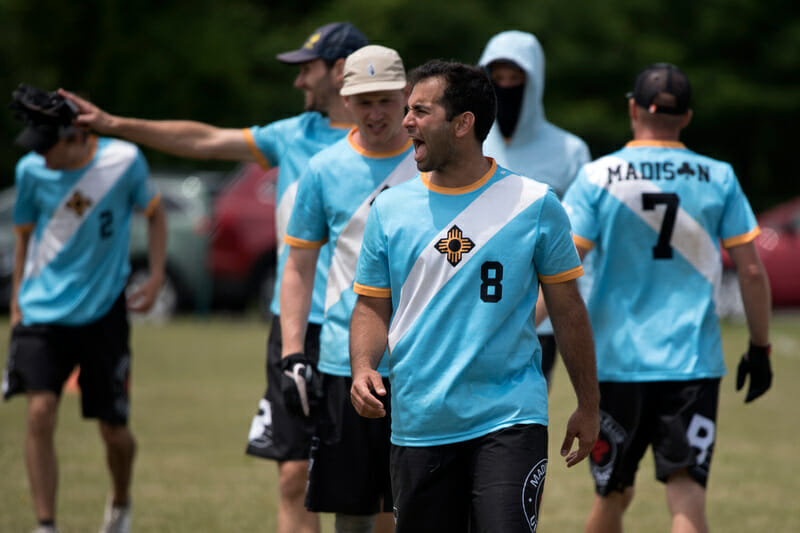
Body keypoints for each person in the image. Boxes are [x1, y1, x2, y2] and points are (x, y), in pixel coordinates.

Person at [61, 22, 368, 533]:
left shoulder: (406, 141)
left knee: (373, 488)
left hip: (370, 326)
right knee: (293, 475)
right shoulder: (293, 135)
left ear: (340, 72)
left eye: (306, 70)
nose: (298, 83)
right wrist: (114, 123)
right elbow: (203, 140)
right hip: (298, 328)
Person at [349, 60, 600, 532]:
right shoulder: (389, 209)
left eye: (420, 111)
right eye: (407, 110)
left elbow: (568, 309)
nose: (406, 122)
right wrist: (363, 366)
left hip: (510, 417)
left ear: (463, 123)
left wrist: (588, 405)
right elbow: (371, 305)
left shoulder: (536, 203)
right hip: (419, 421)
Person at [560, 63, 772, 533]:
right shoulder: (718, 176)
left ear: (633, 108)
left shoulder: (598, 176)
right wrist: (760, 348)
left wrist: (517, 326)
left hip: (615, 364)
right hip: (692, 364)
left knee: (611, 493)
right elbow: (752, 272)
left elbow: (564, 269)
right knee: (687, 498)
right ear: (688, 117)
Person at [2, 84, 167, 533]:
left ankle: (119, 502)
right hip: (42, 313)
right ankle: (46, 525)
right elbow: (23, 234)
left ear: (75, 137)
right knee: (39, 412)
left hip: (102, 315)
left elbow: (154, 212)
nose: (41, 157)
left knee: (115, 432)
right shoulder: (31, 172)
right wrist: (17, 299)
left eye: (48, 146)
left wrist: (155, 276)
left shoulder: (124, 161)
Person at [279, 44, 415, 533]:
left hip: (427, 360)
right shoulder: (323, 168)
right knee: (352, 510)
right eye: (364, 101)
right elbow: (297, 266)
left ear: (406, 95)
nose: (376, 113)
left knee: (419, 507)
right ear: (344, 97)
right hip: (346, 362)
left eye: (386, 99)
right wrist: (293, 353)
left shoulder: (436, 160)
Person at [479, 30, 592, 385]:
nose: (506, 87)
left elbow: (579, 245)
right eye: (497, 79)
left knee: (521, 421)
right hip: (471, 311)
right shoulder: (466, 142)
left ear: (535, 81)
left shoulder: (569, 151)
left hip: (539, 318)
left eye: (516, 79)